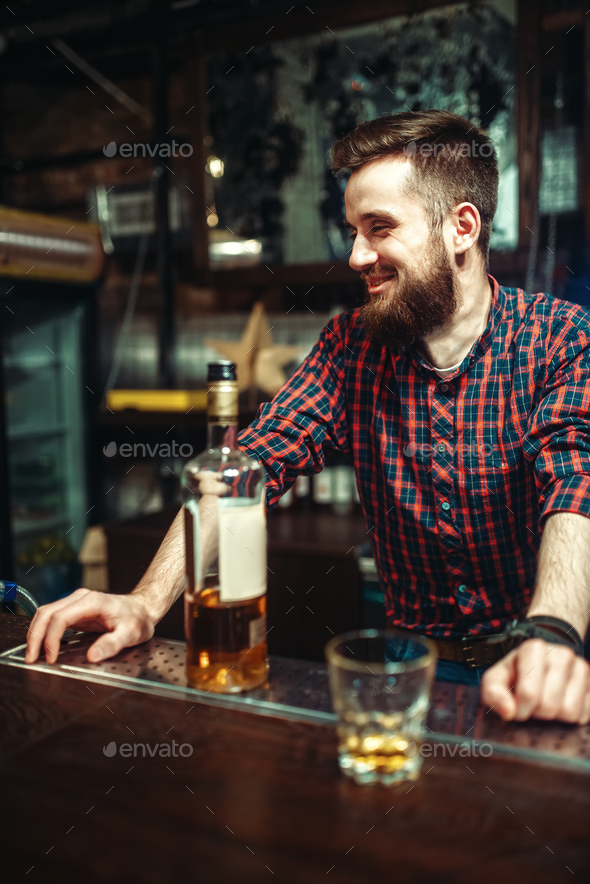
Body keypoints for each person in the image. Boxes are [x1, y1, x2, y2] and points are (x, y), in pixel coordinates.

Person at [25, 109, 590, 725]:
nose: (355, 255)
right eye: (352, 230)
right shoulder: (351, 346)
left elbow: (576, 484)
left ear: (461, 226)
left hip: (540, 662)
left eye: (379, 228)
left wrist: (553, 634)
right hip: (411, 665)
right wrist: (144, 601)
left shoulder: (561, 341)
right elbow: (248, 467)